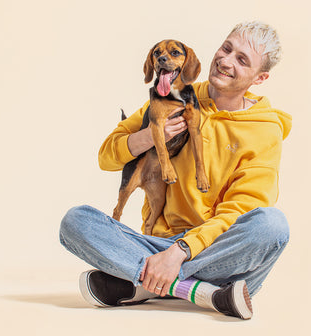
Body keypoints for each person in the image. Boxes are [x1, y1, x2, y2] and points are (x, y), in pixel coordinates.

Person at [60, 21, 292, 320]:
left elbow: (241, 209)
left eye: (241, 59)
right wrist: (150, 136)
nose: (225, 60)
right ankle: (201, 292)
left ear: (260, 78)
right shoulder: (171, 94)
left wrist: (180, 252)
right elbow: (107, 157)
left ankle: (146, 280)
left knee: (272, 225)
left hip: (218, 251)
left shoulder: (265, 130)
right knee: (76, 221)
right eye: (226, 48)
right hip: (158, 242)